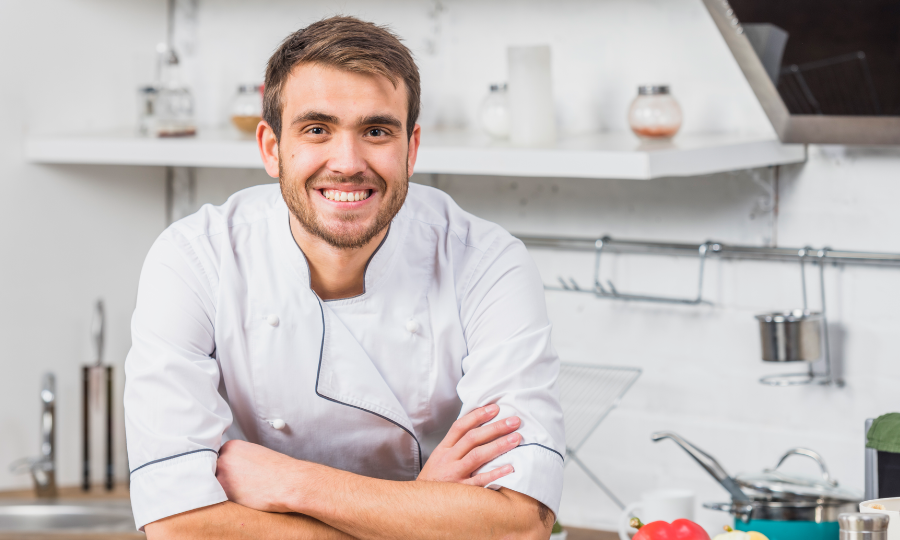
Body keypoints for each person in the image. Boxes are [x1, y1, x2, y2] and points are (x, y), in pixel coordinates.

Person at [124, 15, 565, 540]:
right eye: (317, 130)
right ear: (271, 148)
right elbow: (178, 526)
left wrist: (293, 484)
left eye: (376, 131)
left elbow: (521, 522)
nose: (348, 162)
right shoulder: (195, 259)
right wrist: (427, 510)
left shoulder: (486, 263)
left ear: (412, 148)